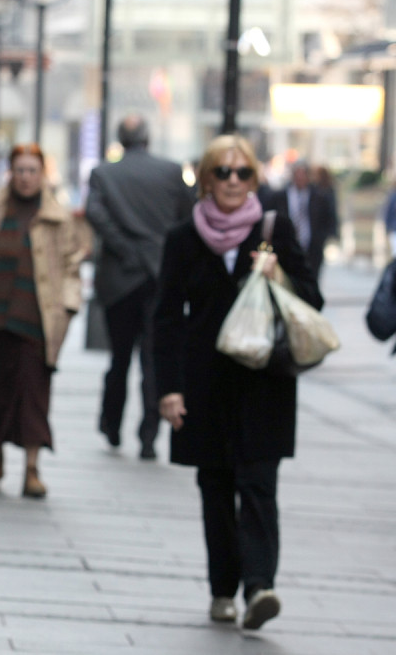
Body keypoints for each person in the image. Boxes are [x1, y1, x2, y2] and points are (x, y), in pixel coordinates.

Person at [153, 135, 323, 630]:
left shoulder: (274, 231)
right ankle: (222, 589)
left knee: (258, 485)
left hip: (263, 382)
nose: (233, 182)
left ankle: (259, 587)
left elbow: (312, 300)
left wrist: (279, 276)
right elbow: (165, 318)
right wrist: (168, 388)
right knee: (215, 487)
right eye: (223, 173)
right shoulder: (183, 238)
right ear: (206, 179)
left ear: (254, 179)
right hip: (203, 383)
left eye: (243, 173)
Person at [0, 144, 83, 498]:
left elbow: (71, 265)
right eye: (19, 170)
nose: (25, 177)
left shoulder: (58, 216)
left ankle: (32, 469)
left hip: (37, 319)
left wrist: (68, 307)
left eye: (32, 171)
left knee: (34, 396)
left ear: (43, 175)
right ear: (10, 172)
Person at [85, 114, 194, 459]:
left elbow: (95, 214)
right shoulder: (171, 172)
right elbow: (186, 219)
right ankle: (149, 434)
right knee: (152, 357)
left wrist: (122, 247)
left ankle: (111, 423)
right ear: (148, 138)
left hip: (121, 277)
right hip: (159, 275)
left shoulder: (104, 173)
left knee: (119, 357)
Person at [269, 160, 338, 279]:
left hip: (312, 249)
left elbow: (328, 218)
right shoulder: (279, 196)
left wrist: (323, 238)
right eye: (297, 174)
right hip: (286, 249)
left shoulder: (320, 197)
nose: (300, 178)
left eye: (303, 174)